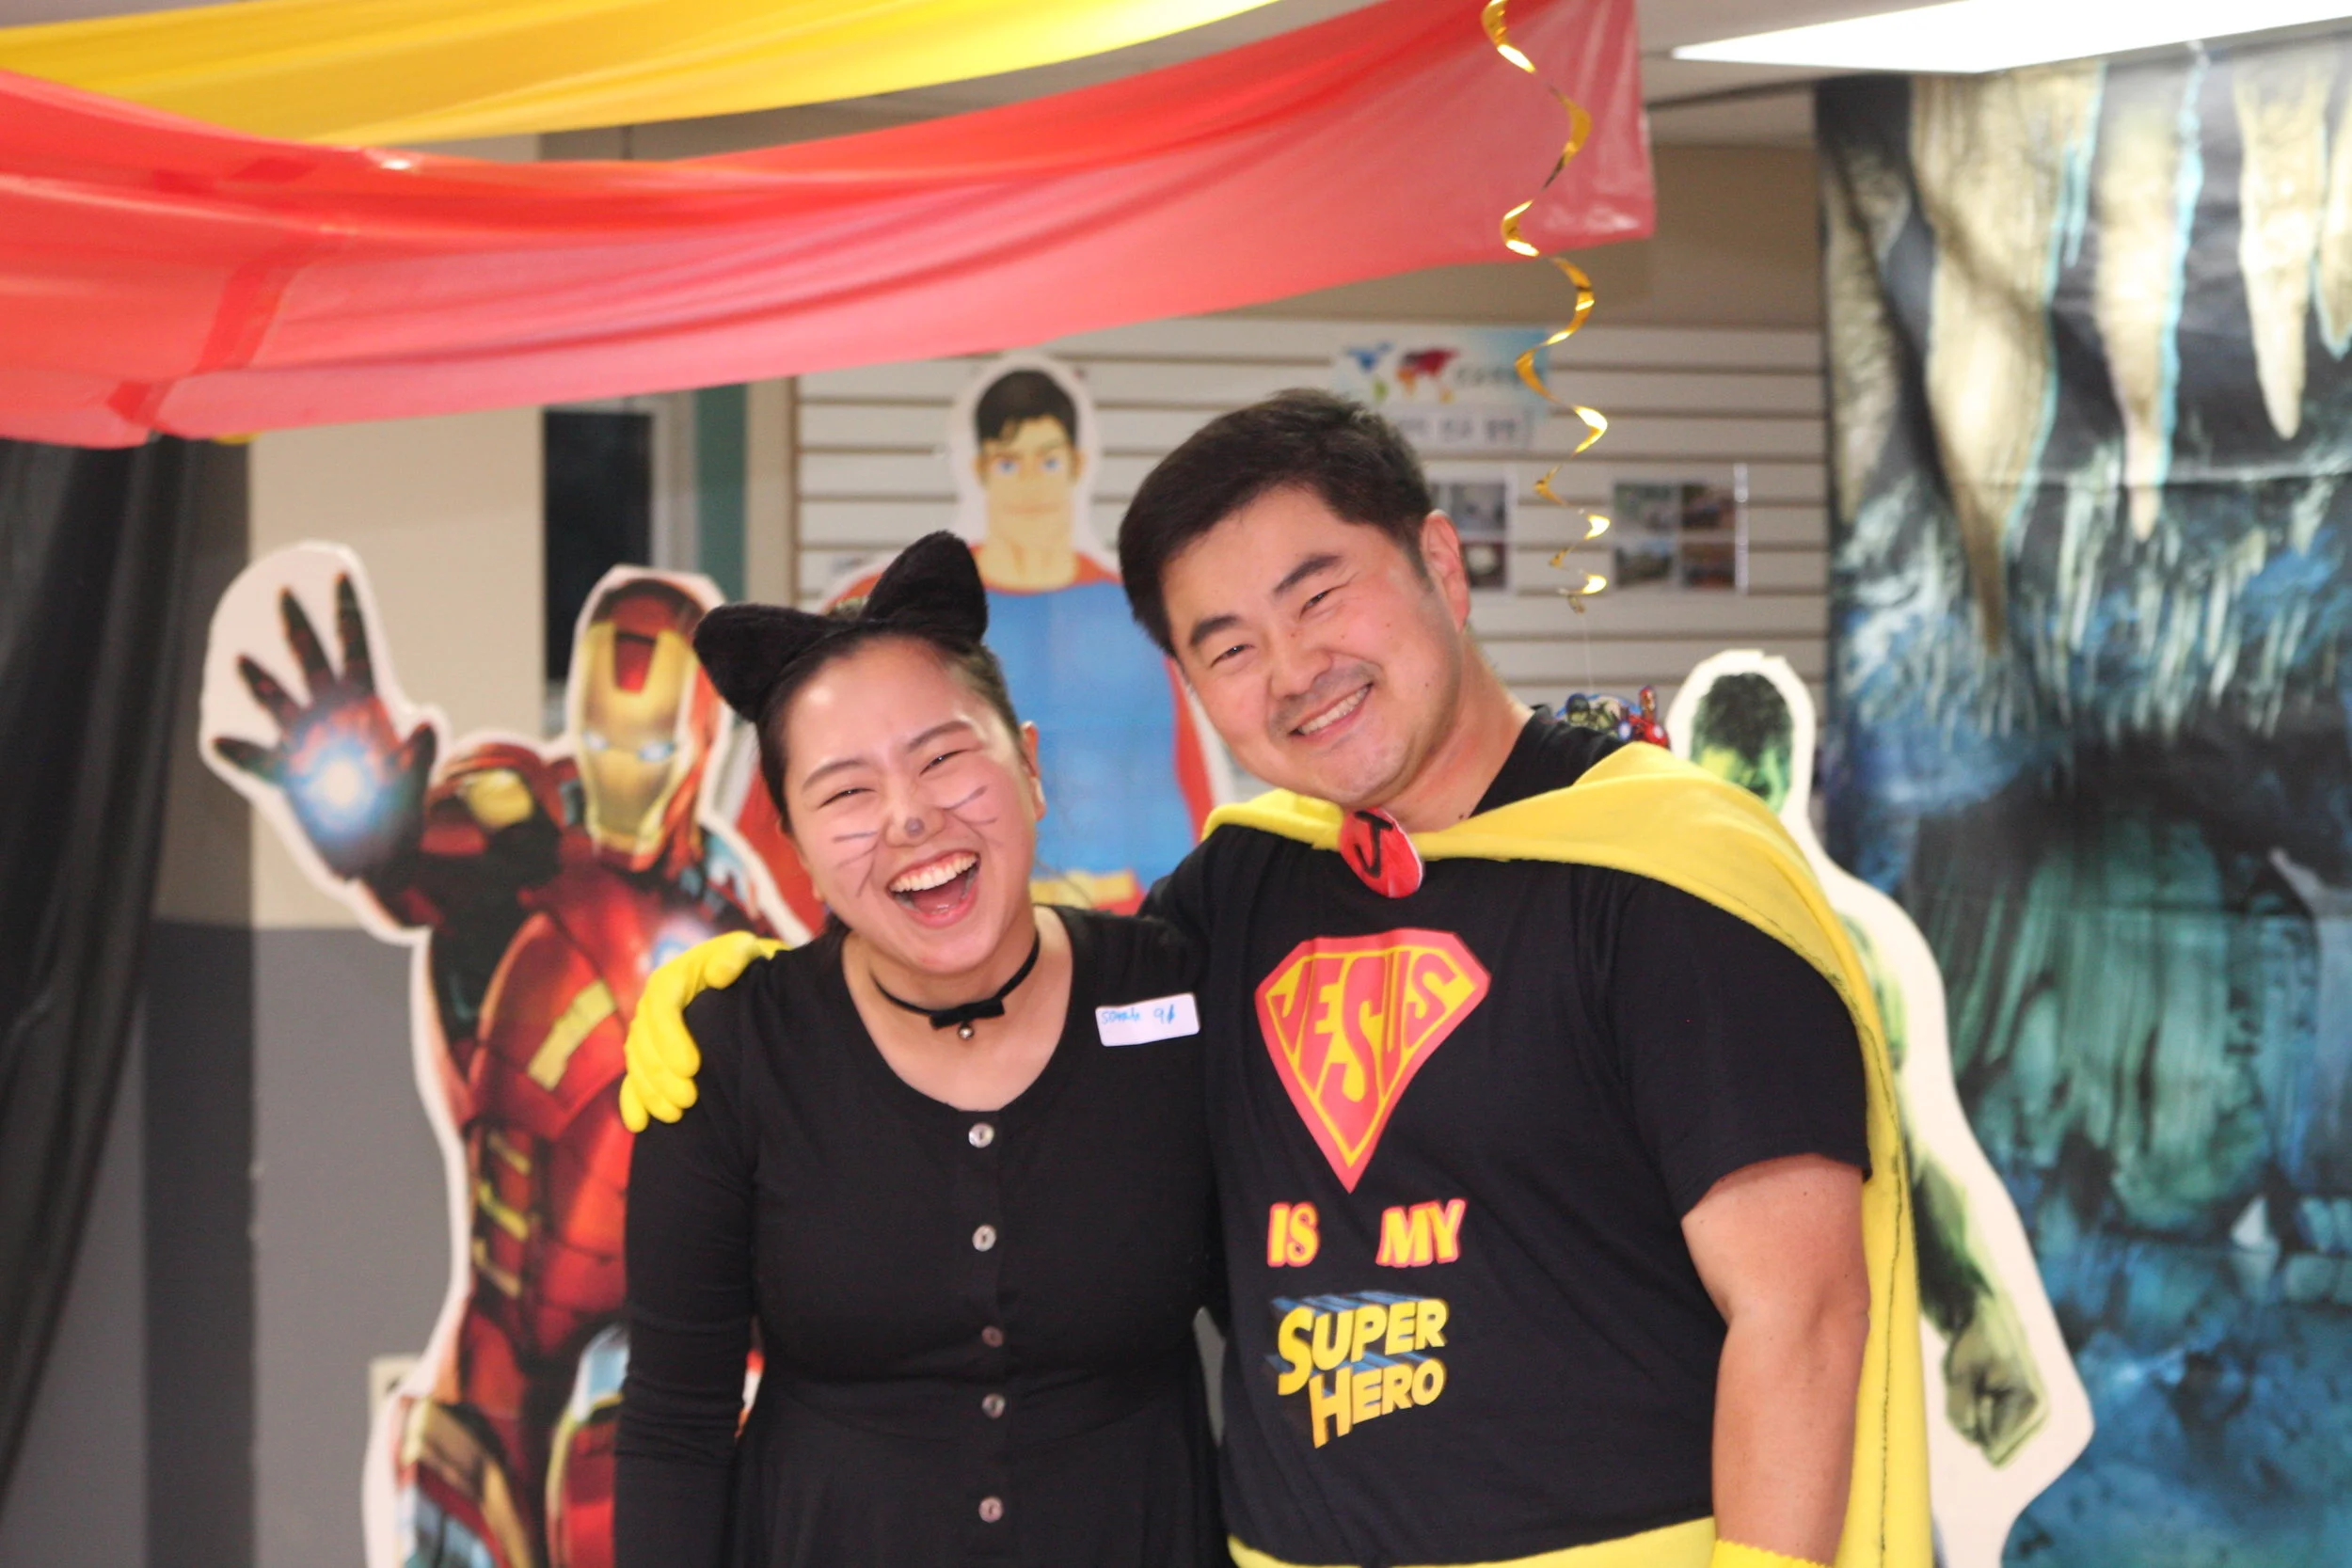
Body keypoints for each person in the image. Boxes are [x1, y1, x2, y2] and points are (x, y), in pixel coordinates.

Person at [628, 393, 1931, 1568]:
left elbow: (1803, 1310)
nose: (1296, 671)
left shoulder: (1669, 877)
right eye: (1231, 646)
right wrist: (759, 988)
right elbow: (1037, 980)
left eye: (1319, 597)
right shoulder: (1242, 893)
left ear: (1440, 563)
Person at [611, 532, 1226, 1568]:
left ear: (1030, 767)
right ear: (796, 847)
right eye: (845, 792)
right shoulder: (733, 1049)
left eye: (944, 758)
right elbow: (675, 1421)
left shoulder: (1176, 995)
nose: (909, 816)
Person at [207, 556, 786, 1568]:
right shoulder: (522, 819)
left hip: (652, 1367)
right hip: (493, 1379)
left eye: (652, 747)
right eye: (605, 740)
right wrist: (376, 816)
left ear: (703, 741)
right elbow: (408, 860)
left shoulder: (735, 919)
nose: (623, 774)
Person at [739, 359, 1220, 924]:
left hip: (1119, 922)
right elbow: (795, 794)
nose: (1031, 483)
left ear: (1076, 464)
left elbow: (1174, 790)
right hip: (929, 915)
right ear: (981, 469)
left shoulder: (1128, 611)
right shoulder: (897, 610)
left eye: (1047, 461)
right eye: (1010, 463)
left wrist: (1183, 936)